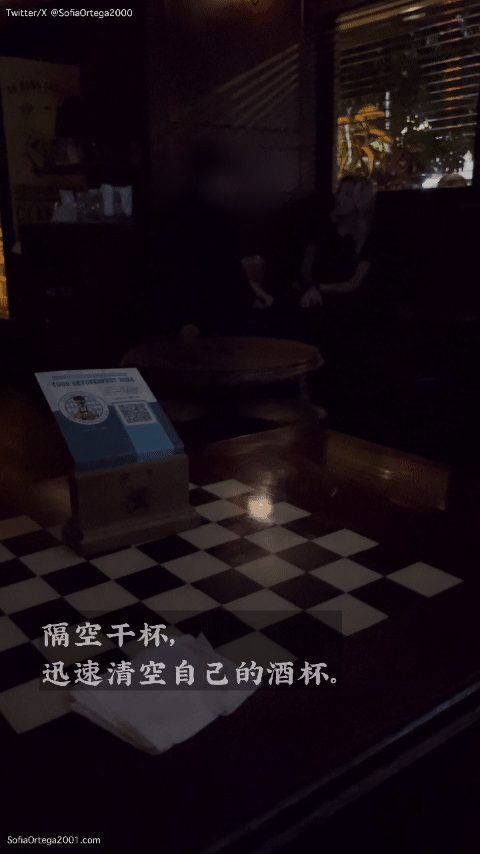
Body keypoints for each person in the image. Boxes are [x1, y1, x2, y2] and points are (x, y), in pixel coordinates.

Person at [155, 141, 271, 341]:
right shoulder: (213, 220)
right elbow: (223, 275)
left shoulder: (176, 215)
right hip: (210, 321)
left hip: (196, 317)